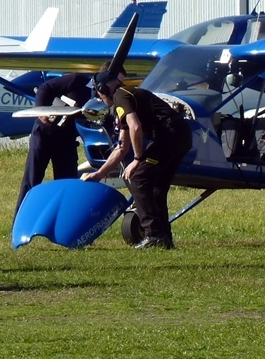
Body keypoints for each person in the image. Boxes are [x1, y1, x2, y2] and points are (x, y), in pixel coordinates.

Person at [83, 67, 192, 249]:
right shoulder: (126, 99)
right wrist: (100, 173)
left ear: (102, 88)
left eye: (99, 93)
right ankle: (164, 238)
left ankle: (154, 234)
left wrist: (138, 159)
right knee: (156, 187)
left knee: (139, 178)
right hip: (180, 135)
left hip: (170, 135)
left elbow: (135, 127)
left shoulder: (120, 96)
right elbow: (122, 147)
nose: (100, 98)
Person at [15, 72, 92, 216]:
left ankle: (64, 222)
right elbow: (45, 88)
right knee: (32, 179)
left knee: (67, 183)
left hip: (67, 140)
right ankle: (21, 219)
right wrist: (41, 111)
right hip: (44, 134)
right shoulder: (75, 80)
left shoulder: (106, 97)